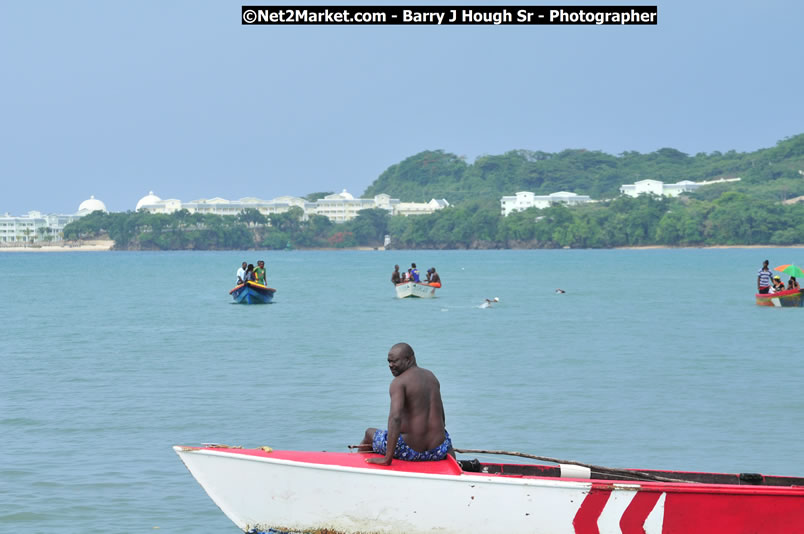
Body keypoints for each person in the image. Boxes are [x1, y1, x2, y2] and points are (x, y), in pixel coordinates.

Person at [359, 343, 453, 465]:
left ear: (409, 359)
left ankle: (359, 467)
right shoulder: (432, 377)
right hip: (438, 451)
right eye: (389, 362)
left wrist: (387, 458)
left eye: (394, 362)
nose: (390, 366)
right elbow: (442, 419)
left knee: (369, 433)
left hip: (410, 451)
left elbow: (395, 418)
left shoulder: (399, 382)